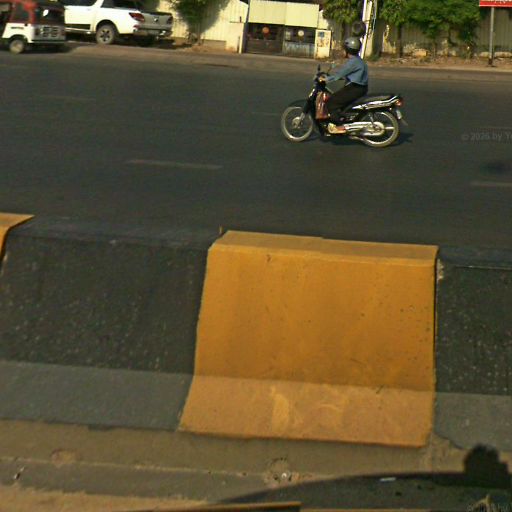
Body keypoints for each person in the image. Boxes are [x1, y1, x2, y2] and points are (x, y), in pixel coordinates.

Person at [319, 36, 369, 134]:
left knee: (331, 102)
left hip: (355, 88)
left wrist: (325, 79)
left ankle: (338, 126)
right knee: (340, 101)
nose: (342, 51)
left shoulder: (353, 62)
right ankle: (342, 119)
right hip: (359, 88)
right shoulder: (357, 60)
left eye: (344, 49)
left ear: (348, 50)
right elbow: (347, 75)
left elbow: (339, 75)